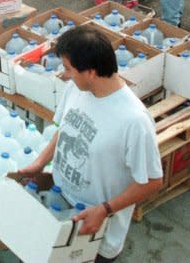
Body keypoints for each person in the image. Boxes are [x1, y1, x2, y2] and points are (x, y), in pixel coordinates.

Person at [19, 25, 162, 263]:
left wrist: (105, 209)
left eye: (68, 69)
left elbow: (152, 181)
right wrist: (40, 162)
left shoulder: (134, 121)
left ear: (91, 72)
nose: (64, 74)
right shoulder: (76, 89)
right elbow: (65, 130)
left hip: (95, 229)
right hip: (59, 204)